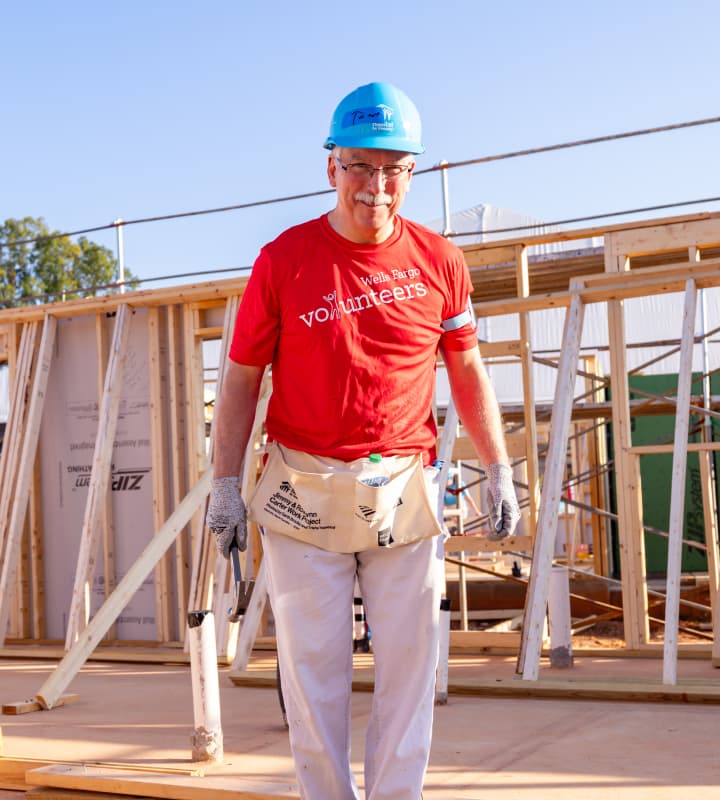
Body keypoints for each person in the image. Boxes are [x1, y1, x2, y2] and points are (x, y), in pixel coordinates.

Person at [206, 81, 520, 800]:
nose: (375, 188)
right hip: (302, 487)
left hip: (402, 486)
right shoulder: (283, 261)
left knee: (411, 670)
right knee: (313, 673)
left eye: (392, 169)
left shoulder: (440, 262)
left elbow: (466, 367)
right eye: (359, 167)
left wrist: (498, 467)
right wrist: (226, 485)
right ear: (330, 168)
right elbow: (243, 377)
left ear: (412, 173)